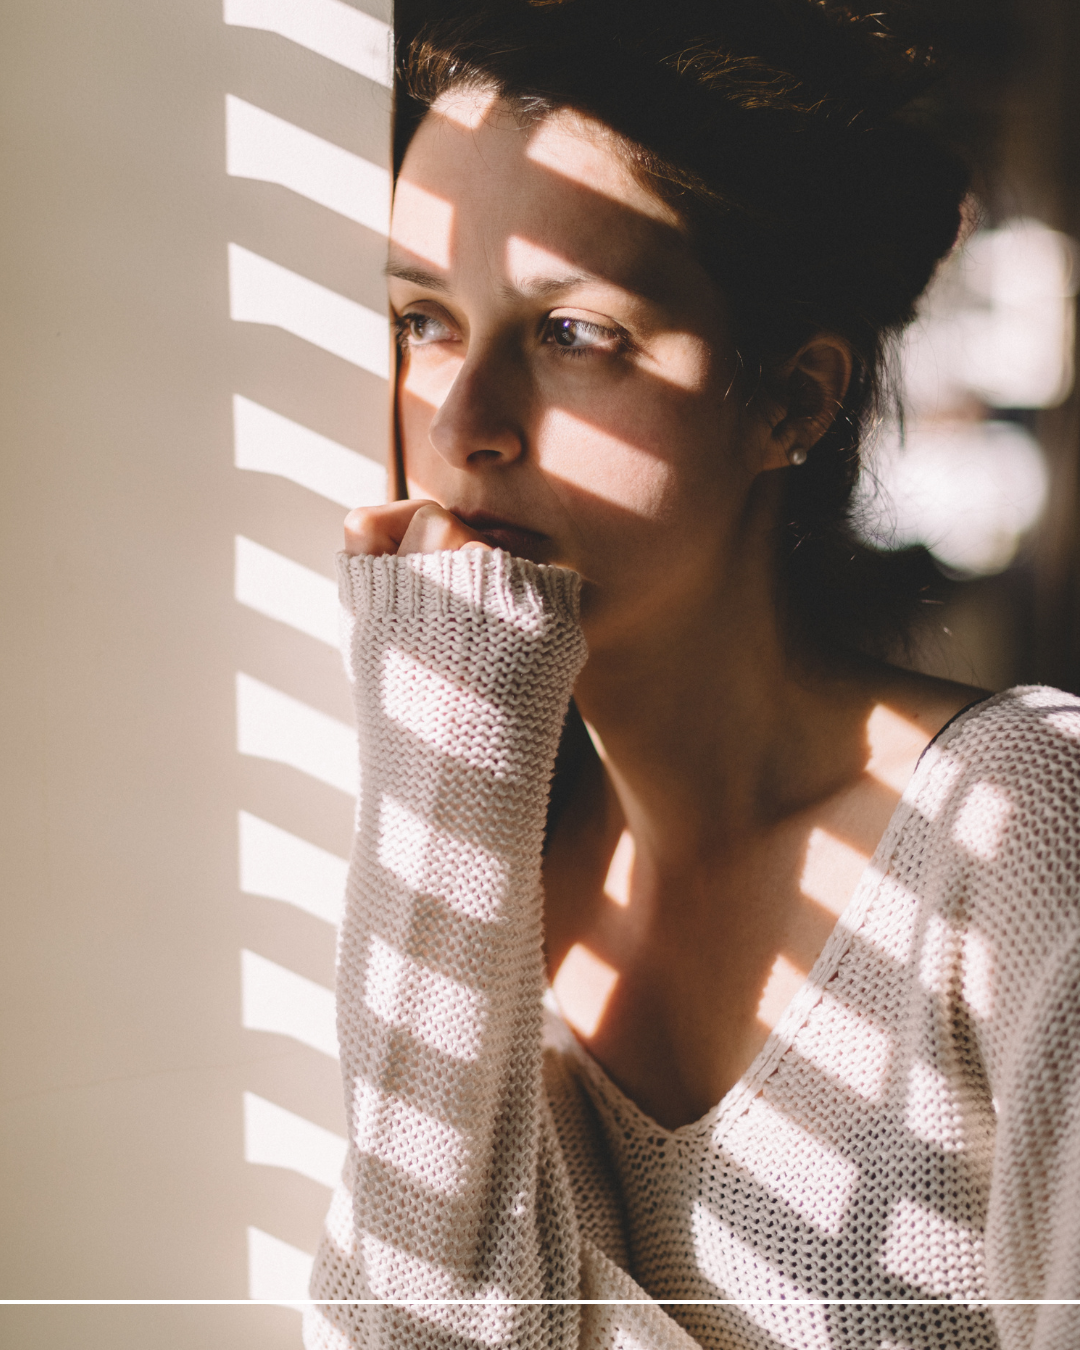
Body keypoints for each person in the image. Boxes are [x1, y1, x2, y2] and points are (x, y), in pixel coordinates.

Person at [304, 3, 1080, 1346]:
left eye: (573, 332)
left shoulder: (1022, 835)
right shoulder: (472, 851)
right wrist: (450, 748)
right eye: (424, 319)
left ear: (794, 397)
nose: (464, 424)